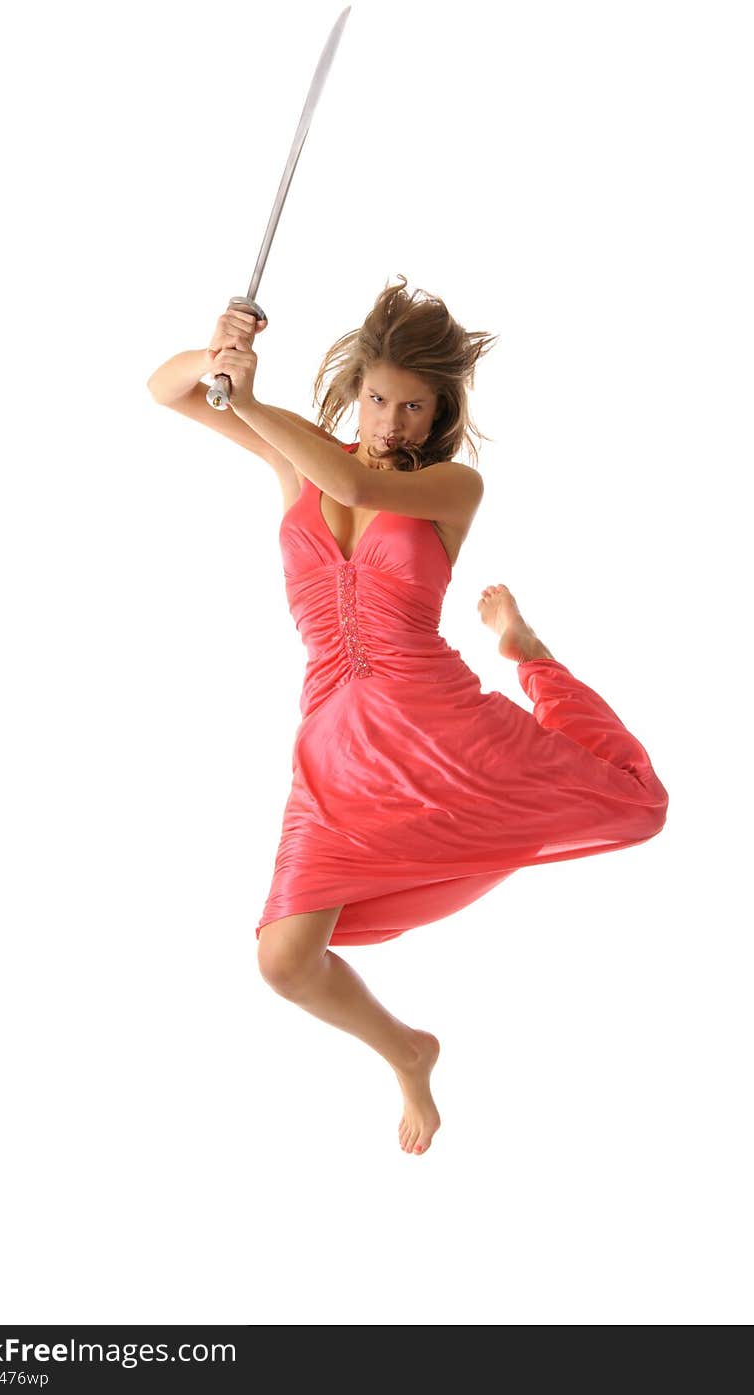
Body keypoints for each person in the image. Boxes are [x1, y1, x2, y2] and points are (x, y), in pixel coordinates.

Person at [147, 274, 669, 1157]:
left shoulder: (450, 490)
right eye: (379, 396)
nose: (391, 419)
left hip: (438, 728)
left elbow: (349, 475)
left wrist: (253, 397)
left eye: (413, 407)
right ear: (357, 390)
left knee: (637, 807)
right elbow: (167, 389)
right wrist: (220, 352)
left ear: (437, 416)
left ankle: (529, 652)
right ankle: (408, 1050)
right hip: (335, 744)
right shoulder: (293, 453)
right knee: (283, 961)